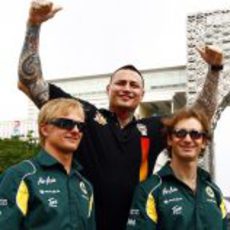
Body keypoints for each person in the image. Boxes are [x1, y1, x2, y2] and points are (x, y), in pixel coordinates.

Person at [17, 1, 224, 229]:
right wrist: (34, 24)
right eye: (121, 83)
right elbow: (30, 81)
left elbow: (200, 116)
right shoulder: (83, 115)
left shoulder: (153, 128)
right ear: (108, 89)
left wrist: (214, 70)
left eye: (134, 85)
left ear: (142, 95)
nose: (127, 88)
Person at [0, 98, 95, 229]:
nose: (75, 131)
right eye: (66, 123)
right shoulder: (20, 175)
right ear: (45, 129)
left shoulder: (84, 185)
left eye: (81, 126)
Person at [126, 108, 228, 230]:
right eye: (181, 133)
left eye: (195, 134)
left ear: (204, 142)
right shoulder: (149, 190)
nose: (188, 139)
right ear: (169, 139)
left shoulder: (214, 191)